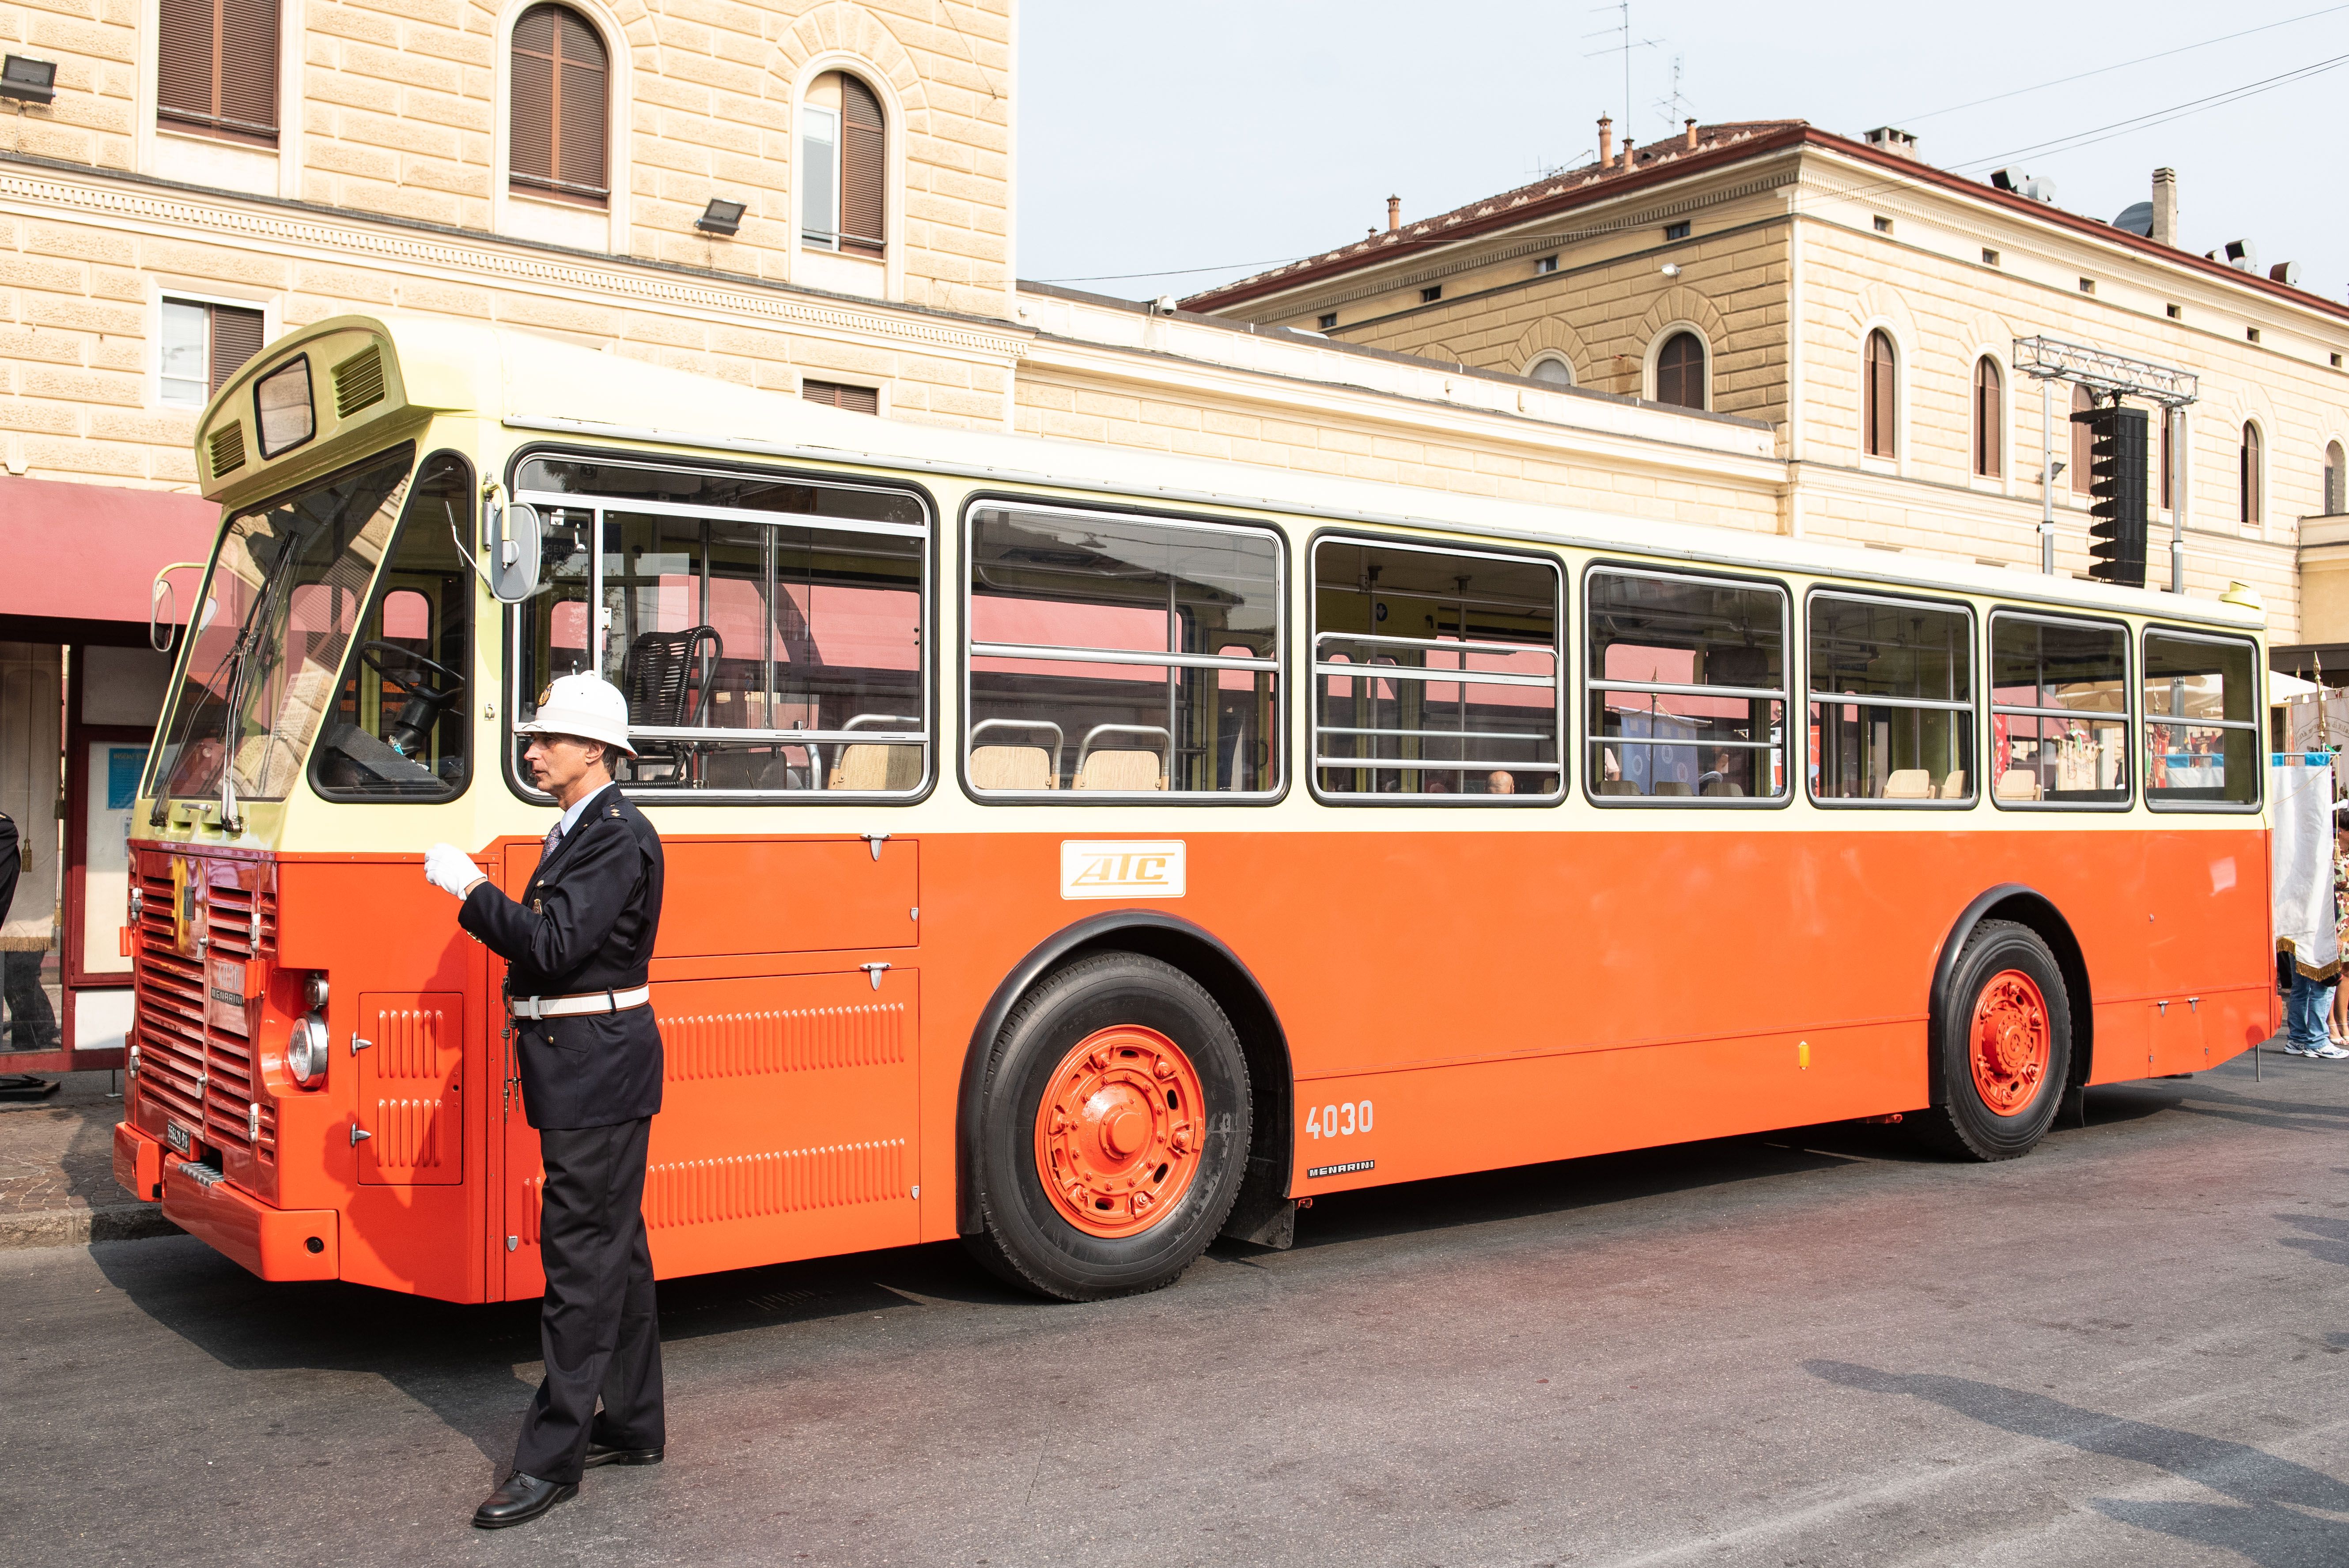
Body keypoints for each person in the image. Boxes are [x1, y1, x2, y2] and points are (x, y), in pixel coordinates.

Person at [423, 675, 669, 1529]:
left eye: (549, 740)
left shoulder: (612, 835)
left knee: (579, 1268)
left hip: (595, 1067)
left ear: (594, 751)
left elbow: (556, 947)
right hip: (586, 1064)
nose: (532, 751)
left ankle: (550, 1459)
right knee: (615, 1251)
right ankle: (633, 1424)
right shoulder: (583, 829)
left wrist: (469, 891)